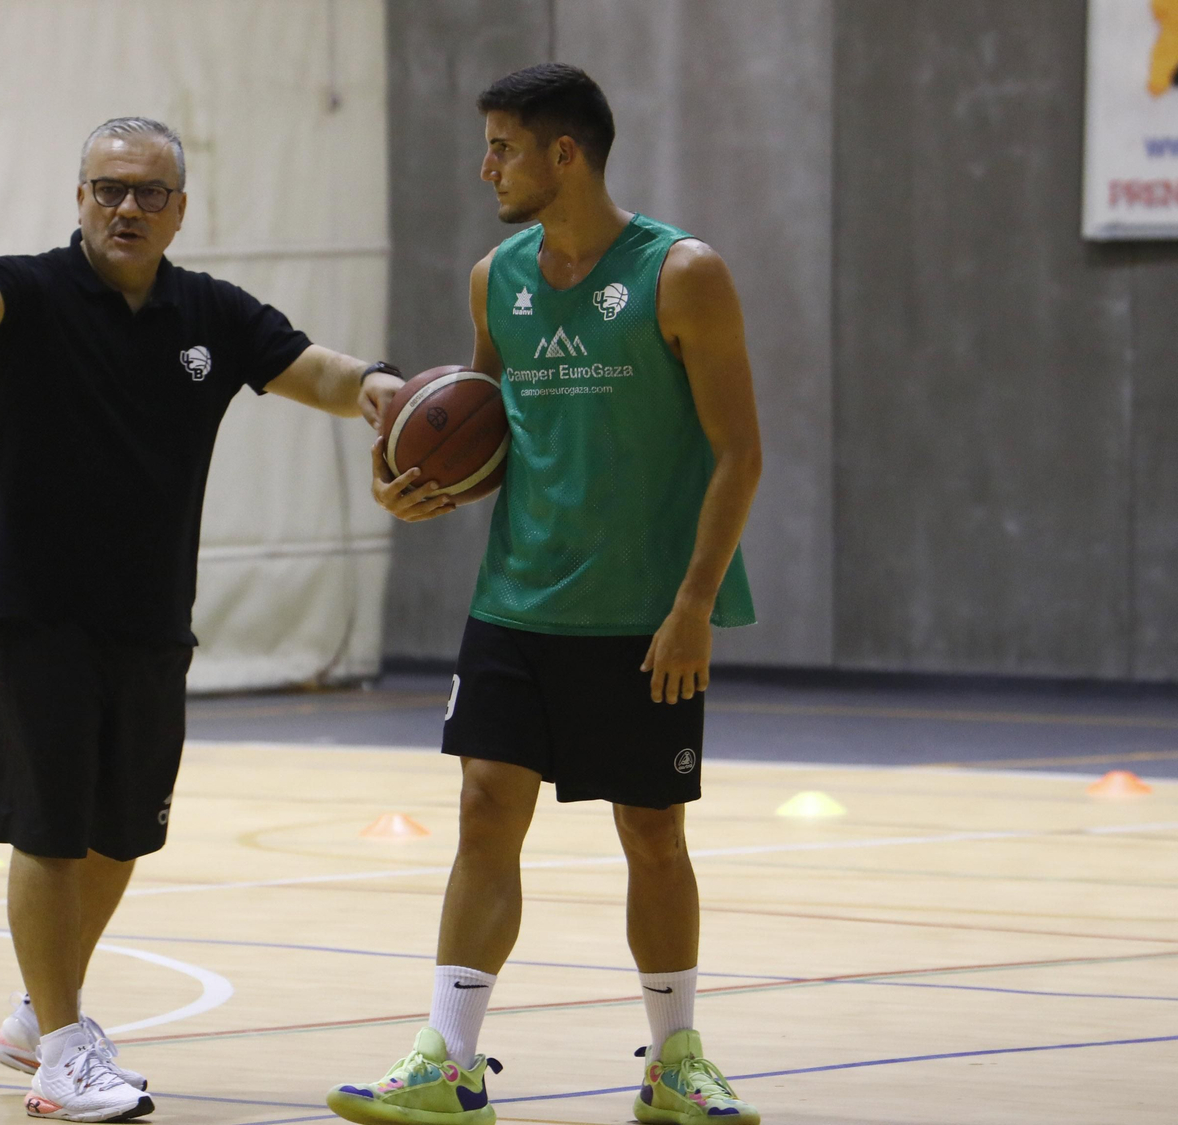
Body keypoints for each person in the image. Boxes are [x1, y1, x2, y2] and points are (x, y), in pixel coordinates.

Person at [0, 116, 403, 1123]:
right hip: (29, 607)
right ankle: (64, 1055)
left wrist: (379, 386)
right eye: (106, 189)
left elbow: (314, 371)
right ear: (78, 198)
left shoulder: (210, 313)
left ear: (178, 210)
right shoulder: (27, 291)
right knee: (51, 830)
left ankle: (39, 1012)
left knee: (124, 835)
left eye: (147, 193)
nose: (125, 206)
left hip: (151, 611)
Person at [328, 65, 763, 1125]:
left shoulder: (679, 272)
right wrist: (416, 481)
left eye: (503, 146)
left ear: (563, 153)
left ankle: (673, 1061)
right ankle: (448, 1062)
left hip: (640, 617)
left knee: (651, 835)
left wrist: (694, 604)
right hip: (515, 602)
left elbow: (739, 454)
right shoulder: (496, 277)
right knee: (484, 813)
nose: (486, 167)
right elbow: (481, 422)